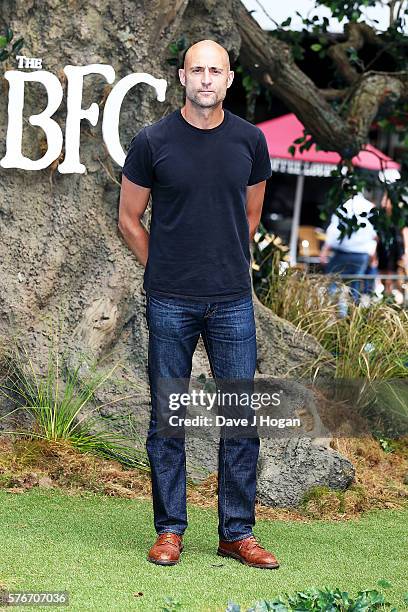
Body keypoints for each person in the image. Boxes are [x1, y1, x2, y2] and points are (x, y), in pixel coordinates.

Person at [118, 39, 279, 569]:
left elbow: (250, 216)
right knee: (169, 419)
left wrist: (224, 262)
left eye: (216, 71)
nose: (206, 79)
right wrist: (162, 268)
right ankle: (169, 530)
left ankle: (236, 532)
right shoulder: (152, 140)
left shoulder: (251, 141)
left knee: (240, 421)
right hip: (169, 301)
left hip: (232, 301)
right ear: (181, 77)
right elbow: (128, 219)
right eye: (197, 70)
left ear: (229, 80)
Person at [319, 192, 377, 314]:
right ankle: (352, 316)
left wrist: (325, 250)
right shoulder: (370, 208)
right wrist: (373, 254)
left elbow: (334, 232)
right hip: (361, 255)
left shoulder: (345, 206)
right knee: (354, 286)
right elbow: (374, 235)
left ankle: (334, 314)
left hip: (343, 253)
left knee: (333, 283)